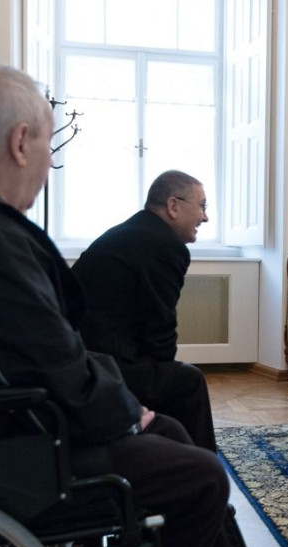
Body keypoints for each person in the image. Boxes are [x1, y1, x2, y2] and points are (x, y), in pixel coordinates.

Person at [0, 64, 242, 547]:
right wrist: (125, 412)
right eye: (48, 146)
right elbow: (45, 364)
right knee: (200, 476)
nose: (49, 164)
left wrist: (125, 405)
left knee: (170, 433)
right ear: (21, 143)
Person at [71, 170, 217, 452]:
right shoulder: (164, 245)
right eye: (202, 206)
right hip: (105, 367)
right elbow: (159, 324)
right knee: (188, 382)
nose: (205, 217)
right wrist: (164, 372)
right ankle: (201, 467)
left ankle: (171, 452)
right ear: (173, 205)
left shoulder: (134, 232)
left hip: (84, 357)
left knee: (174, 376)